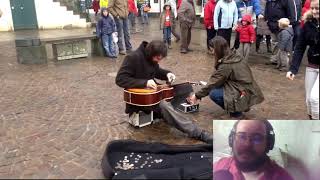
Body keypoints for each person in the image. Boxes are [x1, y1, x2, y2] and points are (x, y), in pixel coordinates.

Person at [115, 40, 213, 143]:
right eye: (158, 58)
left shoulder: (151, 58)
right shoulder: (132, 58)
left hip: (154, 95)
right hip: (141, 100)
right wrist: (144, 83)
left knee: (185, 88)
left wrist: (167, 74)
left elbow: (157, 71)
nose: (159, 61)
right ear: (150, 53)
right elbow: (120, 79)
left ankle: (165, 114)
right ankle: (198, 133)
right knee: (164, 106)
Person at [187, 36, 264, 119]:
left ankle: (236, 114)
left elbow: (213, 83)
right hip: (246, 87)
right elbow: (218, 77)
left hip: (243, 91)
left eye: (212, 50)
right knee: (217, 86)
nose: (212, 53)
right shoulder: (234, 54)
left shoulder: (226, 65)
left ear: (218, 49)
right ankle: (241, 106)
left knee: (214, 93)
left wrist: (197, 95)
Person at [214, 120, 294, 180]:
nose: (247, 144)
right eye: (241, 136)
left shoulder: (283, 177)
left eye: (257, 138)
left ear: (268, 144)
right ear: (231, 140)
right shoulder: (220, 166)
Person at [286, 0, 319, 120]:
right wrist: (293, 69)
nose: (315, 11)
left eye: (318, 8)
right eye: (313, 8)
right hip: (312, 65)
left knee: (315, 99)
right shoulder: (308, 24)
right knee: (308, 101)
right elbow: (300, 47)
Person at [265, 0, 295, 65]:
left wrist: (288, 23)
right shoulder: (269, 2)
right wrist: (267, 21)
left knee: (283, 44)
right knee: (274, 42)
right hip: (272, 25)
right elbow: (266, 12)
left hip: (282, 25)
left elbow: (291, 13)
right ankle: (274, 59)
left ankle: (283, 62)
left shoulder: (285, 1)